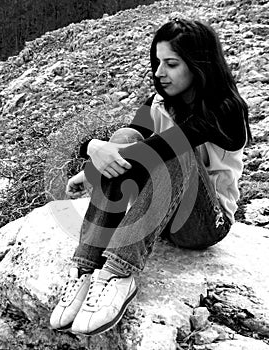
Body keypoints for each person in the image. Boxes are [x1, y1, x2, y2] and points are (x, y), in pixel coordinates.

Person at [50, 18, 251, 336]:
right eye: (157, 62)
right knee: (127, 135)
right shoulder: (159, 103)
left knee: (173, 148)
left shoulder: (224, 108)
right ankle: (85, 269)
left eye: (171, 64)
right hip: (165, 218)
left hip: (205, 224)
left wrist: (93, 150)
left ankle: (120, 273)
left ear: (199, 65)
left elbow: (162, 149)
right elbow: (132, 145)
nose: (159, 73)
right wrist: (96, 164)